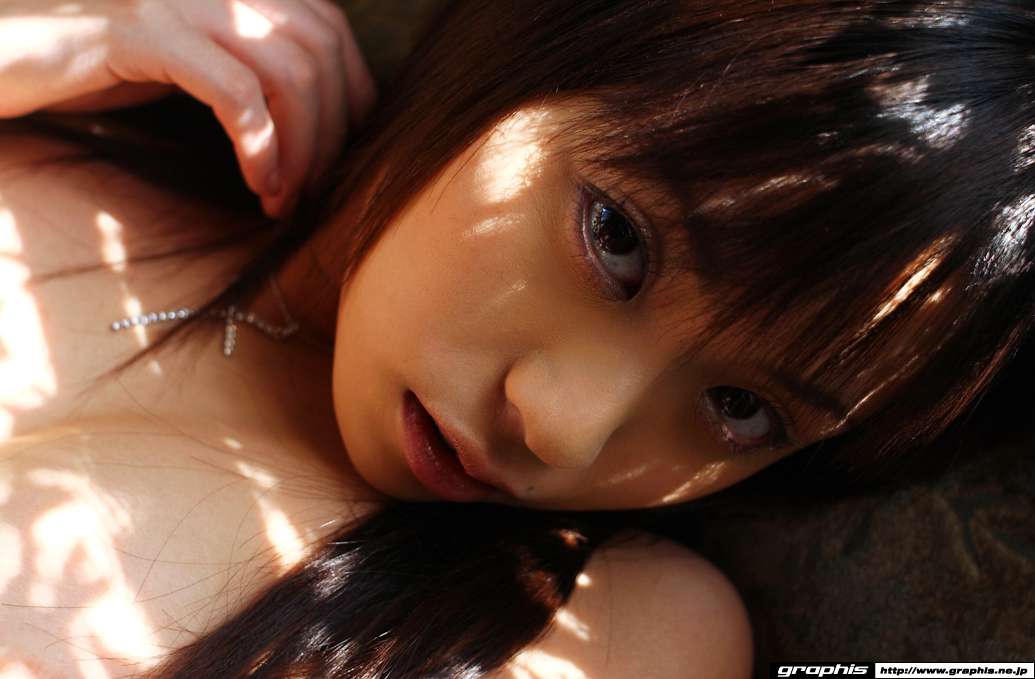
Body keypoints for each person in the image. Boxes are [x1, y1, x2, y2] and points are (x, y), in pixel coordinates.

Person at [1, 0, 1032, 677]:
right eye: (616, 239)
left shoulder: (600, 629)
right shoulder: (95, 98)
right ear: (545, 41)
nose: (563, 432)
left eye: (742, 409)